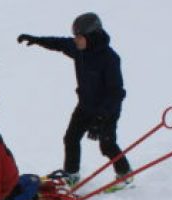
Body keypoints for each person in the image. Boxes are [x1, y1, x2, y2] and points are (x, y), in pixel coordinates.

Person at [17, 12, 132, 187]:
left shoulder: (110, 59)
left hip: (107, 109)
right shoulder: (80, 50)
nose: (75, 40)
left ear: (91, 37)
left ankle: (125, 175)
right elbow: (58, 43)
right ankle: (71, 174)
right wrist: (36, 39)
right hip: (85, 106)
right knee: (71, 138)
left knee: (107, 145)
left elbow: (116, 93)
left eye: (79, 37)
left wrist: (101, 118)